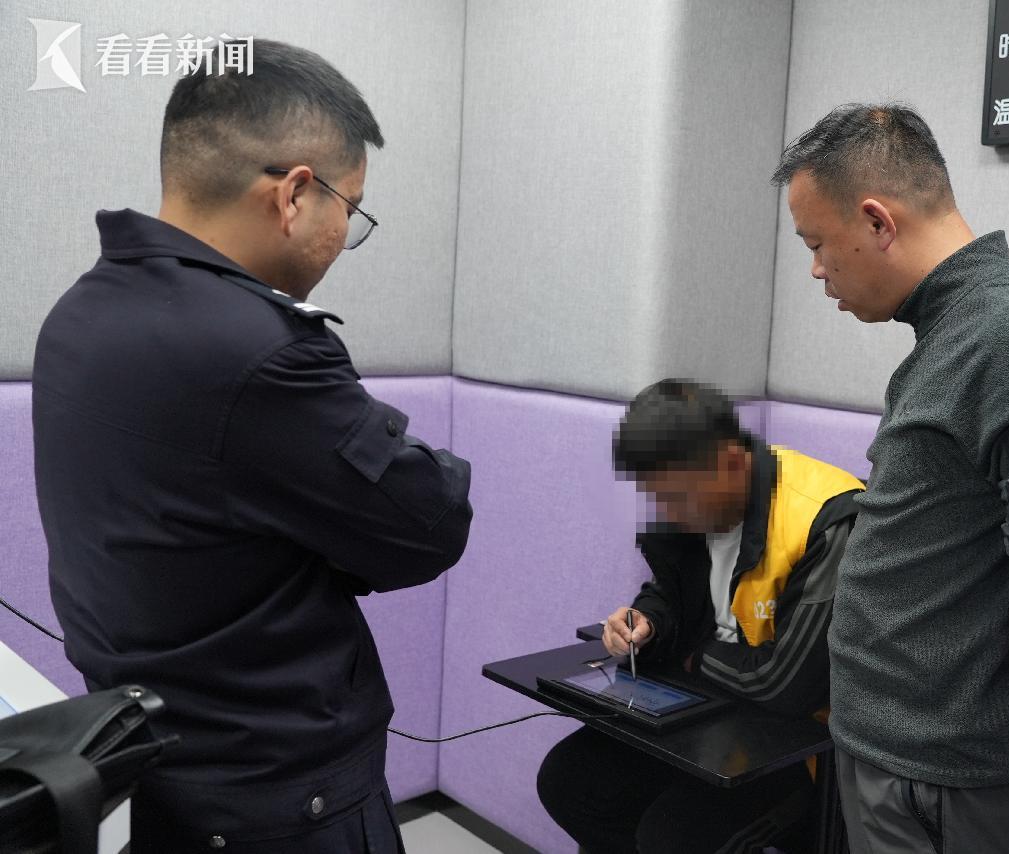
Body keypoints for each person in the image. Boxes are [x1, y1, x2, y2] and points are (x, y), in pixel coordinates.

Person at [31, 39, 472, 853]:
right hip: (286, 800)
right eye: (351, 208)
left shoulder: (79, 316)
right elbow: (429, 526)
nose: (345, 232)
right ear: (296, 193)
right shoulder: (262, 353)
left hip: (156, 758)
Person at [772, 103, 1009, 853]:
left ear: (877, 221)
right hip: (903, 751)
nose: (815, 269)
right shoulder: (957, 329)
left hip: (946, 772)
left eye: (817, 244)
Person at [537, 378, 865, 853]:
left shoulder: (827, 521)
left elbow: (787, 686)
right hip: (707, 715)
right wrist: (648, 622)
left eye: (676, 498)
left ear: (731, 462)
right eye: (657, 498)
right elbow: (673, 594)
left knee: (673, 838)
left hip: (799, 752)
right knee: (569, 782)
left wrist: (693, 655)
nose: (668, 513)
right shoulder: (692, 505)